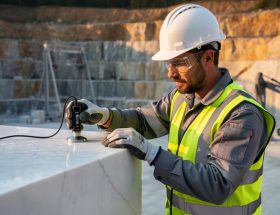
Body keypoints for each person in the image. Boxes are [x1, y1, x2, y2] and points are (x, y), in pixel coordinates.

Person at [66, 4, 275, 215]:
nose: (171, 73)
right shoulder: (181, 99)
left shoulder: (242, 113)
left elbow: (218, 184)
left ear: (208, 57)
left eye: (179, 63)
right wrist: (104, 116)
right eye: (168, 63)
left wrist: (153, 154)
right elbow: (143, 121)